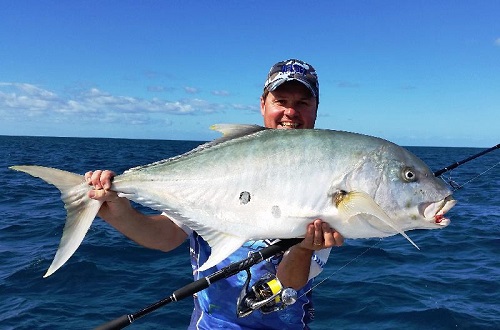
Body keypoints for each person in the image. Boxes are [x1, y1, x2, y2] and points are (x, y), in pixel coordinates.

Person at [86, 59, 344, 329]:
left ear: (315, 109)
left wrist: (303, 250)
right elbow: (164, 237)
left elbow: (290, 282)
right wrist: (119, 214)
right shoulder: (217, 163)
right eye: (281, 100)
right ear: (263, 104)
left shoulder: (327, 176)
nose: (291, 112)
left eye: (302, 103)